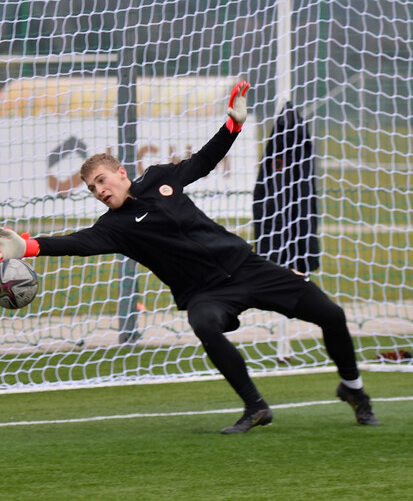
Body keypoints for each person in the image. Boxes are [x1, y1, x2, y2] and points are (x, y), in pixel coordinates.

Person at [0, 82, 380, 434]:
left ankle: (354, 390)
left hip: (247, 267)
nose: (98, 190)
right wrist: (28, 247)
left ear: (121, 174)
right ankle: (256, 407)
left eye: (101, 181)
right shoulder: (113, 227)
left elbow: (204, 161)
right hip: (206, 293)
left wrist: (232, 126)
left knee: (332, 315)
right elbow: (76, 243)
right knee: (205, 324)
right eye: (91, 188)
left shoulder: (161, 177)